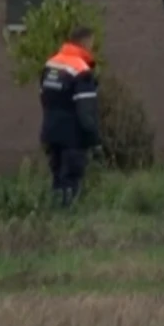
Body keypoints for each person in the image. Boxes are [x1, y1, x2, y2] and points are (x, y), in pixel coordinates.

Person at [39, 26, 101, 207]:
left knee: (57, 178)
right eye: (92, 44)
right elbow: (86, 112)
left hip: (50, 131)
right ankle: (67, 220)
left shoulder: (51, 64)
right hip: (73, 136)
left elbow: (44, 97)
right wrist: (95, 141)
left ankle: (54, 218)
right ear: (86, 42)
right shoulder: (81, 70)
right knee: (71, 181)